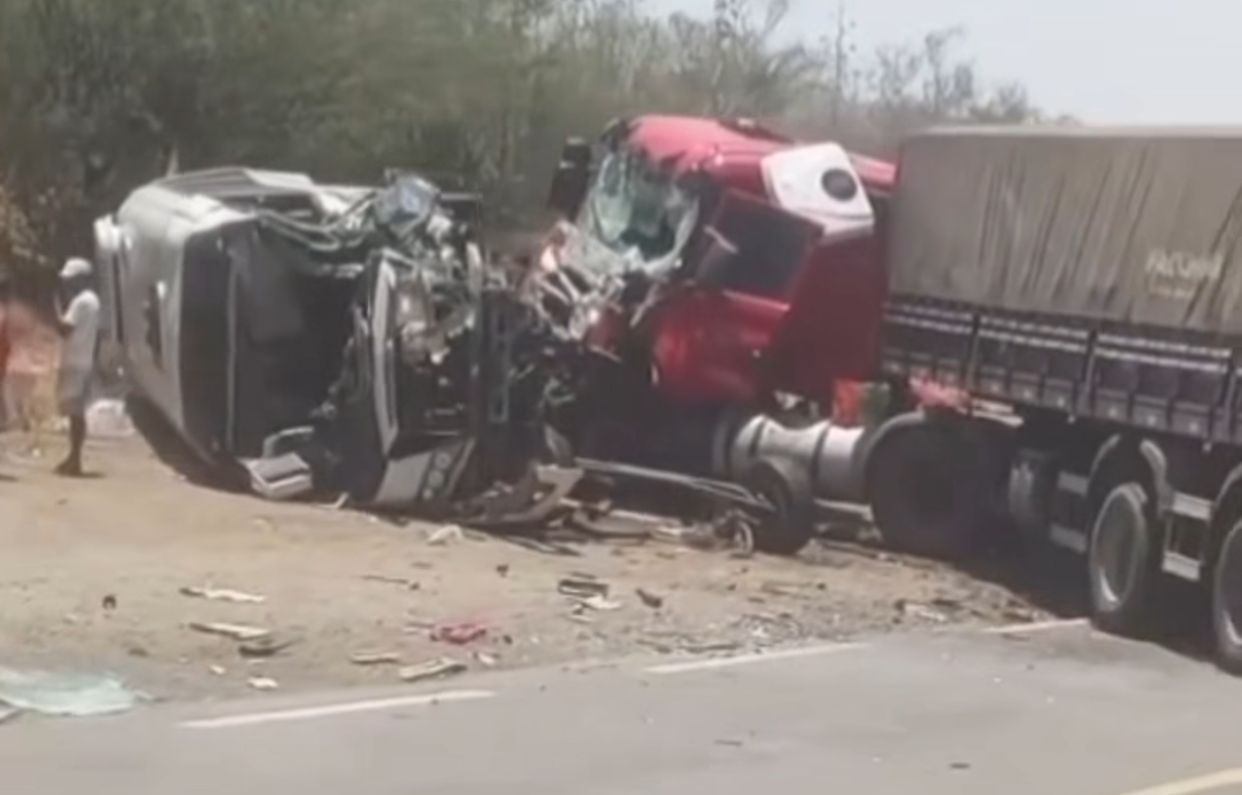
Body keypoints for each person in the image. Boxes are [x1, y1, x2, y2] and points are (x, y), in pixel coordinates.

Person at [54, 257, 100, 476]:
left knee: (74, 413)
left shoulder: (81, 302)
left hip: (74, 362)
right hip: (84, 361)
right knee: (77, 412)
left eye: (71, 280)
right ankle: (74, 457)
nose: (67, 285)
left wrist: (53, 312)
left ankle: (74, 459)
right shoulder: (93, 301)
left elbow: (66, 329)